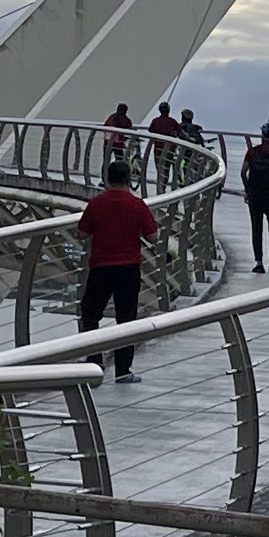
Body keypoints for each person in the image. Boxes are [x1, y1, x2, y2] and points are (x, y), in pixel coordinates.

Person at [74, 151, 158, 381]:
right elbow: (153, 237)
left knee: (90, 314)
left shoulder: (96, 203)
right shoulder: (137, 205)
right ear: (129, 180)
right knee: (126, 319)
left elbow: (81, 233)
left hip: (101, 267)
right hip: (129, 268)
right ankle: (123, 371)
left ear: (108, 179)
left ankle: (94, 364)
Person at [240, 123, 269, 274]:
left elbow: (243, 172)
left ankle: (259, 263)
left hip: (255, 195)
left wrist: (248, 189)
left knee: (257, 228)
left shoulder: (253, 152)